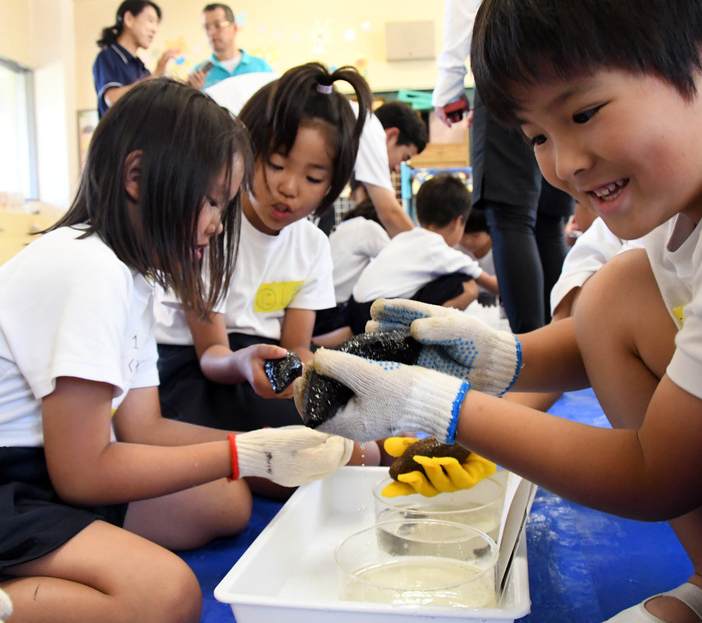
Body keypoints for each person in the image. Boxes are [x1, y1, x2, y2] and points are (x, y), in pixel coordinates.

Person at [298, 0, 702, 621]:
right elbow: (599, 334)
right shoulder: (688, 189)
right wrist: (482, 358)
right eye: (537, 136)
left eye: (584, 113)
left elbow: (660, 472)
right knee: (616, 293)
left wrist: (433, 405)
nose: (564, 165)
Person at [0, 78, 354, 622]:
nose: (219, 224)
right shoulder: (89, 268)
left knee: (224, 500)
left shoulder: (133, 280)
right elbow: (83, 473)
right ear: (138, 177)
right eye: (213, 201)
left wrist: (261, 446)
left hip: (25, 469)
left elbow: (144, 428)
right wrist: (248, 453)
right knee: (165, 595)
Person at [155, 63, 379, 465]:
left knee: (364, 452)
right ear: (245, 150)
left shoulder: (311, 244)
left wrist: (337, 377)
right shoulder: (210, 225)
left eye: (313, 179)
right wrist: (244, 363)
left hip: (267, 369)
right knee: (299, 459)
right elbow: (212, 355)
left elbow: (296, 347)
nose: (288, 188)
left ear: (334, 184)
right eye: (276, 165)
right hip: (197, 367)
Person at [432, 0, 575, 331]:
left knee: (511, 216)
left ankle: (530, 354)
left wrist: (450, 80)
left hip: (507, 49)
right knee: (548, 217)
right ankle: (561, 341)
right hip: (568, 53)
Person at [345, 174, 498, 335]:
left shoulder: (404, 238)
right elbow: (493, 286)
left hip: (354, 309)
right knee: (468, 286)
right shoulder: (439, 250)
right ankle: (420, 338)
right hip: (378, 315)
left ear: (418, 216)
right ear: (458, 222)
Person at [92, 1, 197, 116]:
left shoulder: (141, 68)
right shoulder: (108, 57)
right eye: (150, 20)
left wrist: (187, 89)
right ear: (129, 19)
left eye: (157, 24)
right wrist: (155, 77)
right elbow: (112, 99)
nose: (154, 30)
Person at [312, 198, 389, 347]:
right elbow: (396, 260)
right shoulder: (368, 228)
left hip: (318, 311)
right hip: (334, 314)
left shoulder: (344, 228)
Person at [353, 101, 429, 238]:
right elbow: (390, 213)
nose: (397, 168)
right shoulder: (370, 133)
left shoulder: (360, 131)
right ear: (391, 136)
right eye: (404, 158)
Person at [195, 3, 273, 91]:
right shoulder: (197, 75)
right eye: (207, 27)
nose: (211, 32)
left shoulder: (261, 67)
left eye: (218, 25)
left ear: (234, 28)